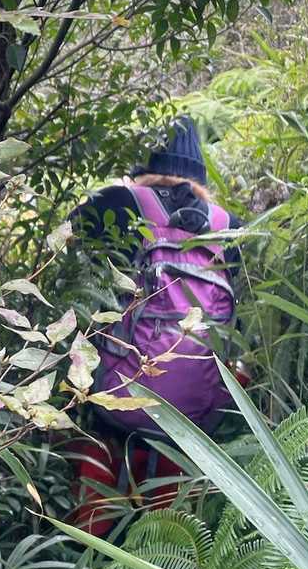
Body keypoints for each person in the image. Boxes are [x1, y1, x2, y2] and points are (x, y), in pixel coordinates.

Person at [65, 118, 244, 536]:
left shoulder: (119, 200)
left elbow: (68, 243)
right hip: (196, 409)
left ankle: (89, 542)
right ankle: (165, 548)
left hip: (119, 397)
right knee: (174, 476)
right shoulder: (229, 225)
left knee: (93, 416)